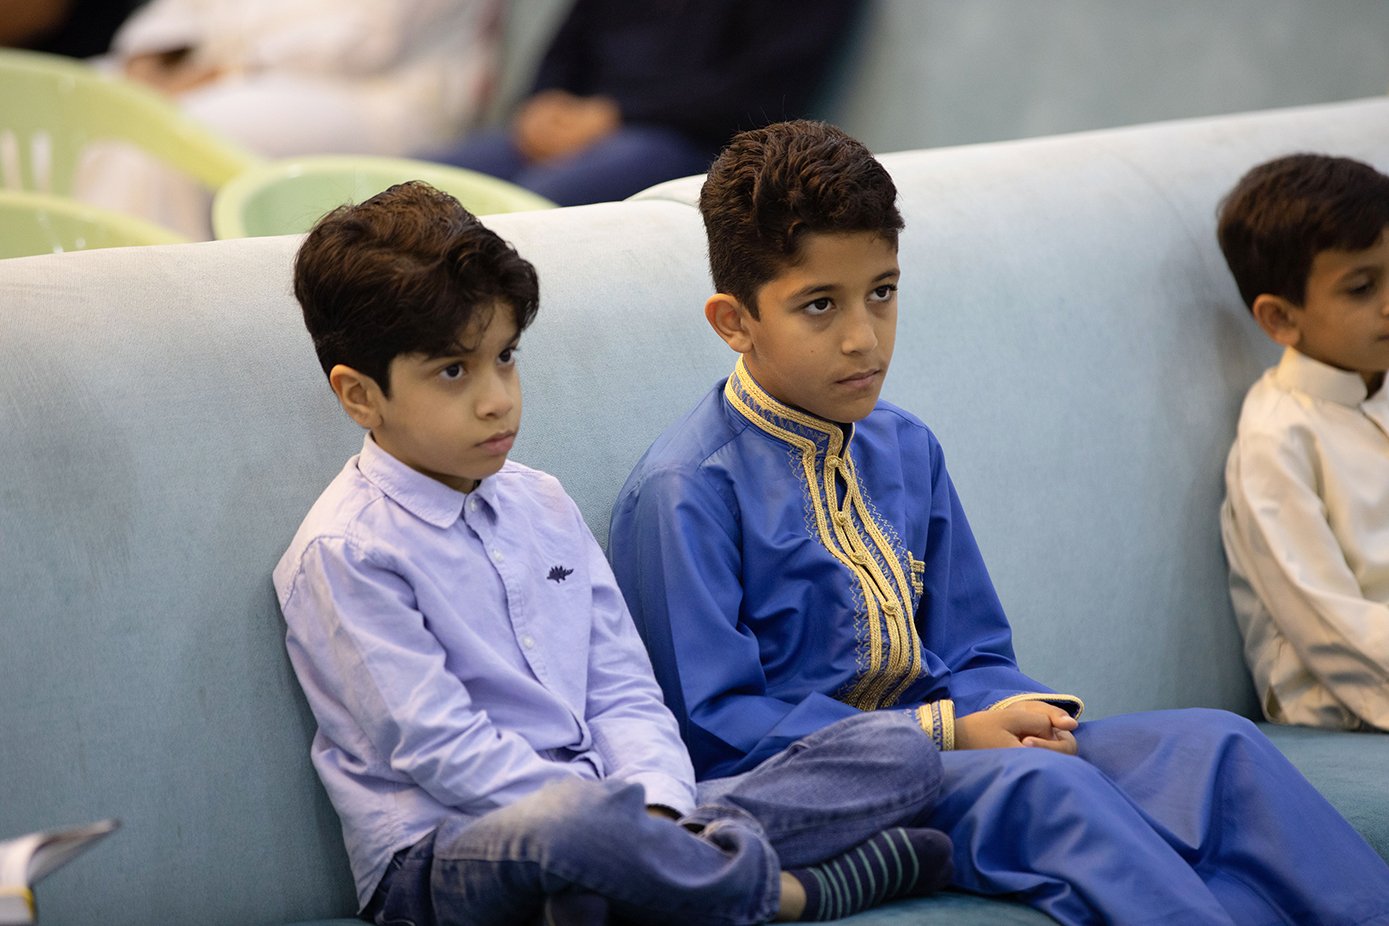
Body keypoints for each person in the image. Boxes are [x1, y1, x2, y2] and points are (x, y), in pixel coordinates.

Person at [607, 121, 1389, 926]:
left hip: (967, 748)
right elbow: (719, 727)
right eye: (818, 306)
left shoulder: (904, 446)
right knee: (1043, 786)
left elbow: (976, 648)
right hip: (828, 785)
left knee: (1216, 747)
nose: (862, 338)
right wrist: (949, 733)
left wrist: (1024, 716)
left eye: (882, 292)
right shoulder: (685, 490)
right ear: (734, 321)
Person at [273, 180, 954, 925]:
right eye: (453, 372)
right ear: (360, 396)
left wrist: (657, 810)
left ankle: (644, 883)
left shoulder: (542, 502)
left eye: (505, 356)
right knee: (574, 831)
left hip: (617, 812)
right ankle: (792, 893)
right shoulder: (347, 552)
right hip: (449, 847)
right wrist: (615, 820)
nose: (497, 398)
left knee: (894, 754)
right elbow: (440, 749)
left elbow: (625, 690)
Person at [78, 0, 501, 238]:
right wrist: (148, 58)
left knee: (160, 139)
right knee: (70, 97)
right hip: (215, 67)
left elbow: (368, 38)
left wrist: (228, 68)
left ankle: (138, 315)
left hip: (366, 94)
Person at [1217, 153, 1389, 733]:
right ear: (1281, 319)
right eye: (1362, 287)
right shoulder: (1275, 440)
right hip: (1338, 694)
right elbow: (1333, 630)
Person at [430, 0, 861, 206]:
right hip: (583, 123)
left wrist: (614, 115)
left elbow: (758, 94)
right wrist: (542, 102)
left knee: (529, 204)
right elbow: (570, 40)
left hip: (691, 141)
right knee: (418, 182)